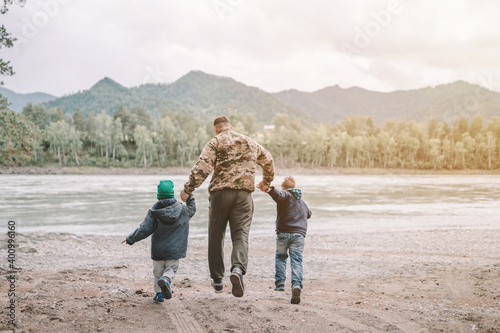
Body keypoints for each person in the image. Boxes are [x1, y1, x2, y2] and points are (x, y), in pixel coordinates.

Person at [180, 115, 274, 297]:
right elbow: (268, 160)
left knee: (216, 236)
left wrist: (188, 189)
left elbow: (203, 167)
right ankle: (237, 270)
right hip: (244, 196)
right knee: (240, 235)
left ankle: (217, 281)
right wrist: (266, 182)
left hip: (220, 195)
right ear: (230, 126)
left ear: (216, 129)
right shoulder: (250, 142)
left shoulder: (215, 142)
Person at [122, 180, 196, 302]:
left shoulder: (154, 212)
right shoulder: (183, 211)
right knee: (171, 269)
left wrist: (131, 238)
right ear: (172, 195)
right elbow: (192, 208)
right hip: (174, 251)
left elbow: (144, 229)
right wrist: (189, 197)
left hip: (158, 251)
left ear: (159, 197)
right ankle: (167, 279)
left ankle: (159, 295)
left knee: (157, 273)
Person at [257, 176, 311, 305]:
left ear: (283, 187)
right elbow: (309, 214)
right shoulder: (301, 201)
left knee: (281, 257)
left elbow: (278, 195)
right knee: (296, 261)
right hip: (298, 236)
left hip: (283, 235)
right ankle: (296, 285)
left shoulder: (285, 194)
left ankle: (280, 284)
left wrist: (268, 189)